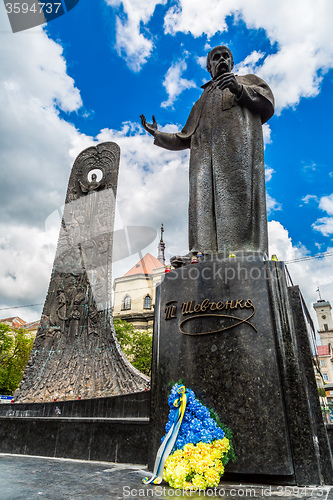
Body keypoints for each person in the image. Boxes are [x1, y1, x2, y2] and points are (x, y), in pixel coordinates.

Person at [141, 46, 274, 257]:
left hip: (236, 156)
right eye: (215, 58)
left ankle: (242, 252)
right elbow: (184, 136)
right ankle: (201, 253)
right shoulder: (201, 101)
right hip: (203, 162)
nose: (221, 60)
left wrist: (238, 89)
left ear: (232, 62)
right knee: (200, 204)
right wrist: (156, 134)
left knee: (238, 200)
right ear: (209, 67)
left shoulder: (248, 81)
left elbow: (267, 103)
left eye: (225, 56)